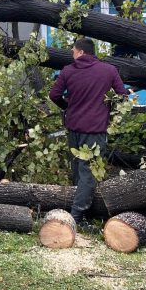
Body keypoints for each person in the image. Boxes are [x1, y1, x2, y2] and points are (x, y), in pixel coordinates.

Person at [49, 38, 127, 232]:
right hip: (95, 129)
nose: (72, 54)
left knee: (78, 170)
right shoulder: (109, 70)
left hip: (74, 127)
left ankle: (78, 214)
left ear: (81, 52)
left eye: (74, 51)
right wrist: (108, 108)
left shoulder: (68, 71)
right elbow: (122, 96)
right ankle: (77, 216)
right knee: (88, 174)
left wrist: (67, 107)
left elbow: (54, 95)